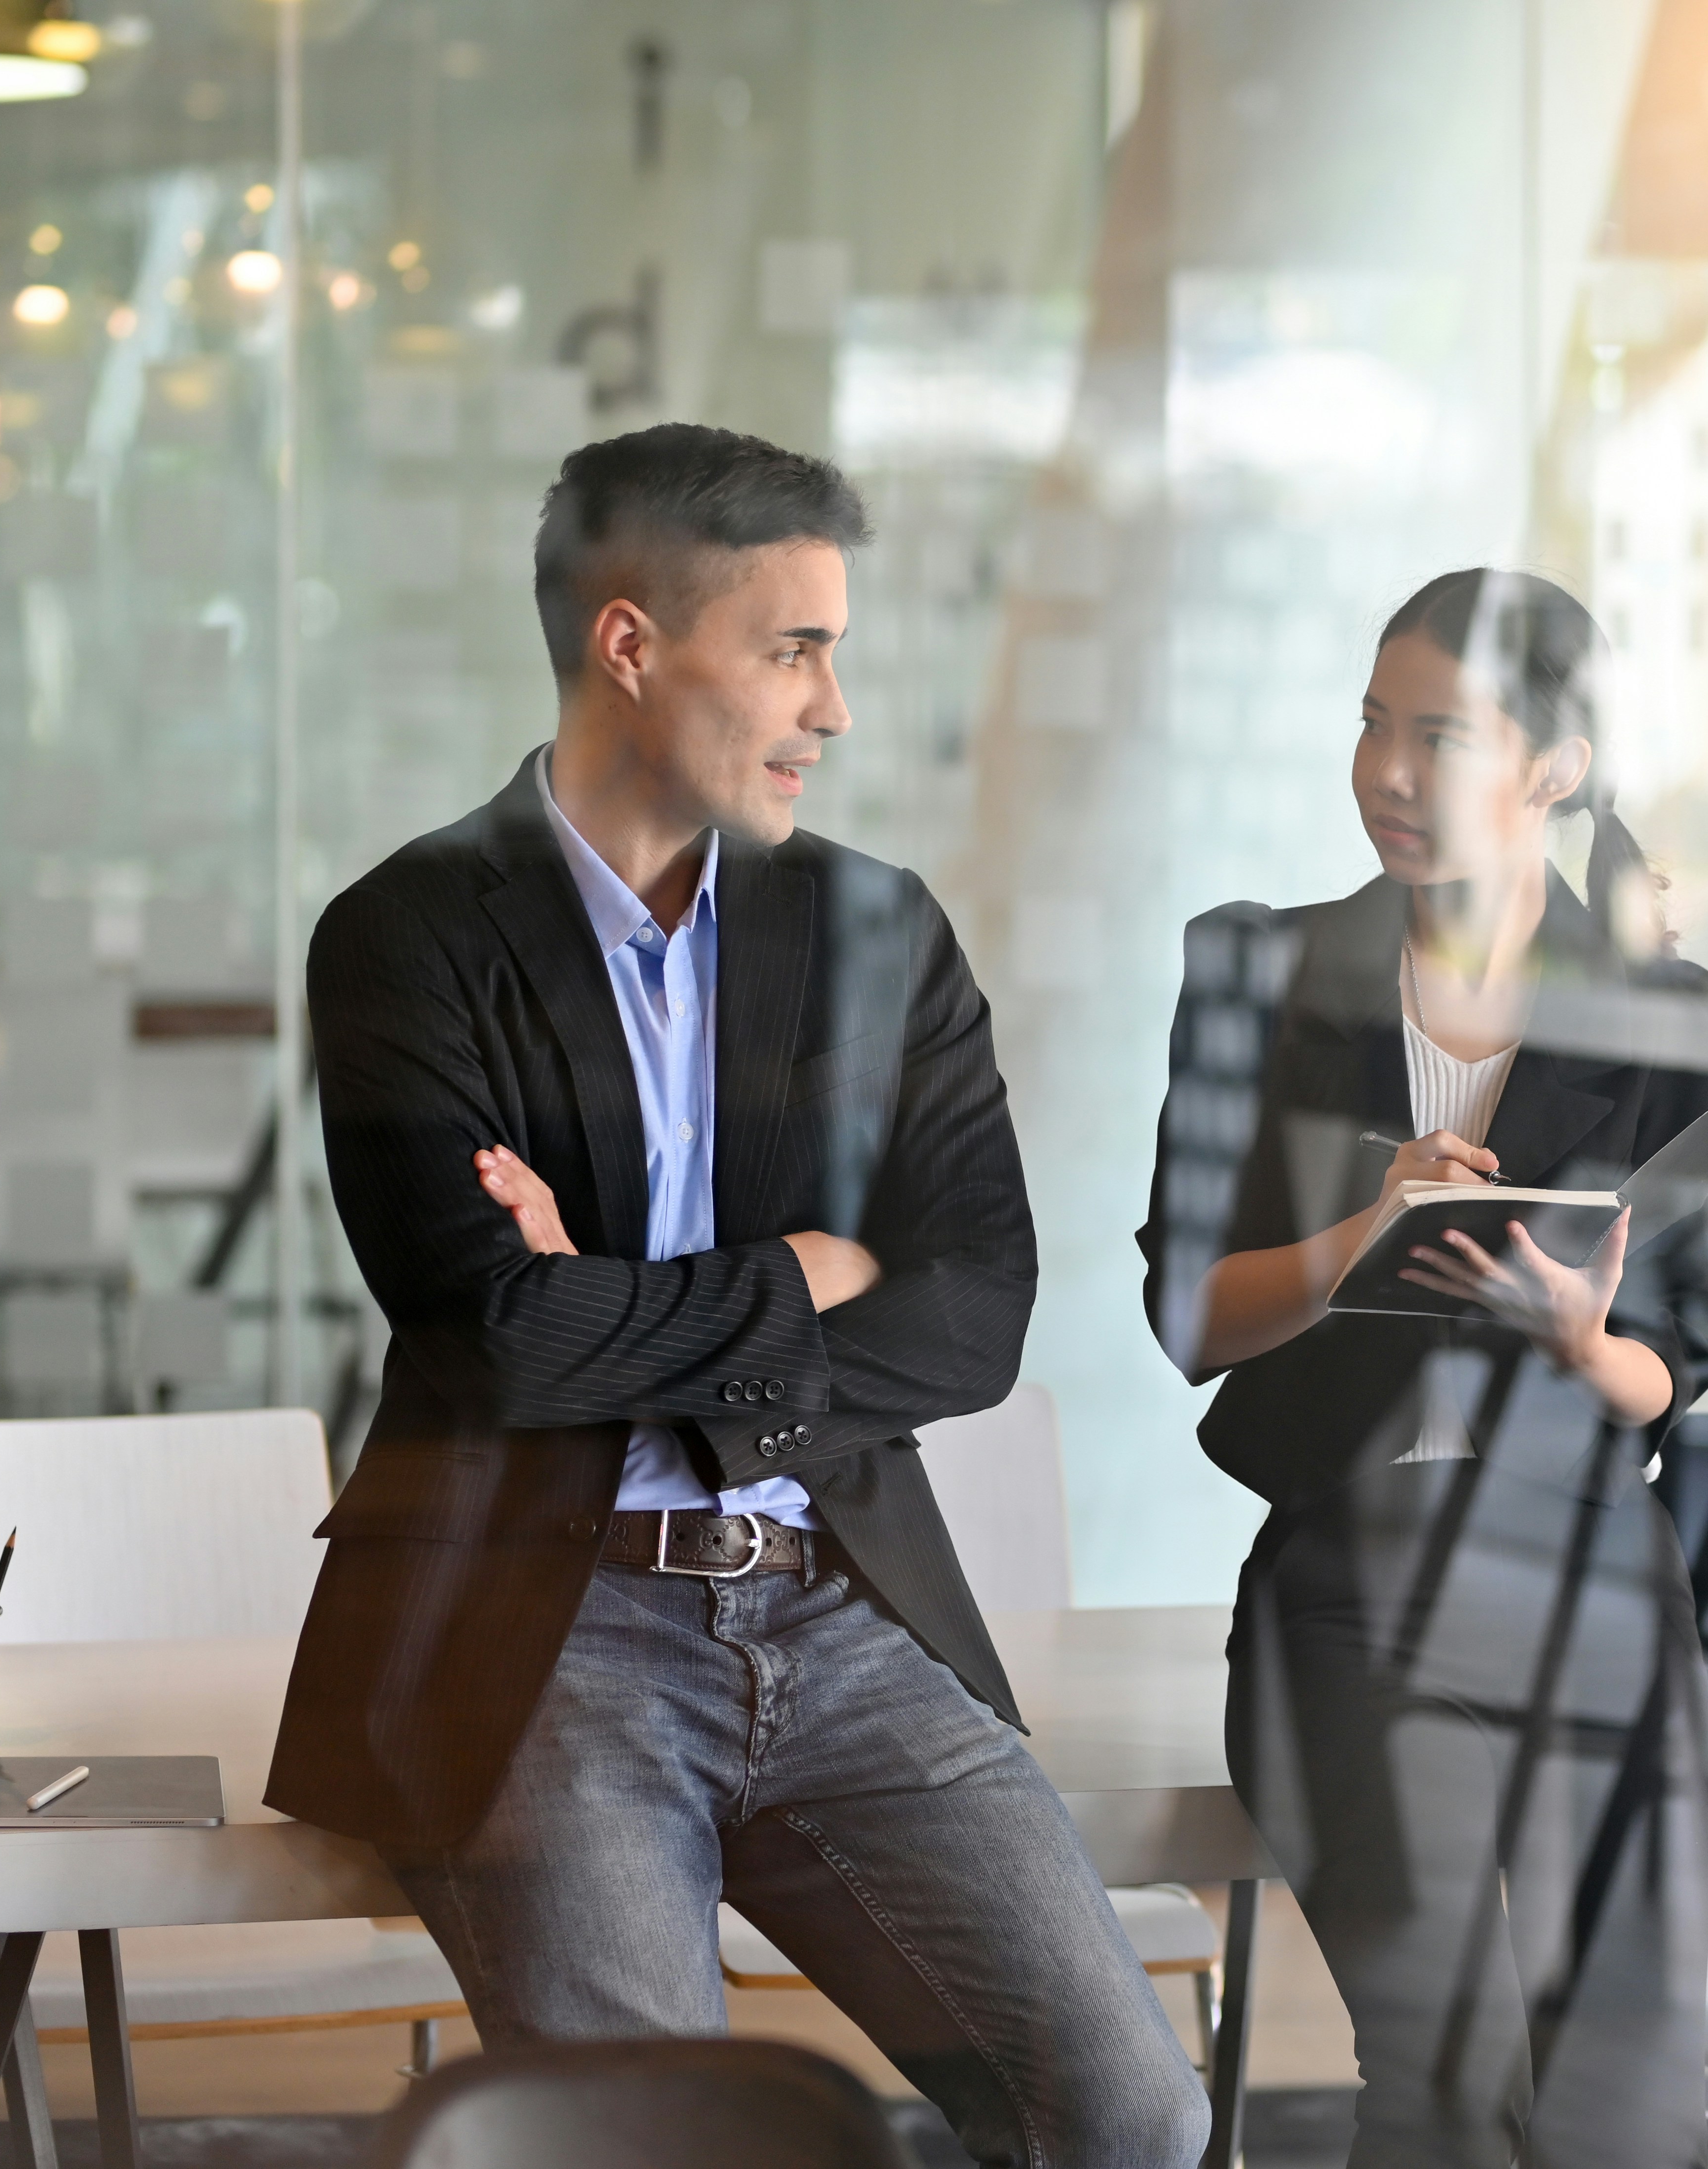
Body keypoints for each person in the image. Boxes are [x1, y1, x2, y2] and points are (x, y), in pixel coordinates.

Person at [273, 422, 1207, 2169]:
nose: (832, 707)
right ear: (632, 646)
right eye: (792, 649)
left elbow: (976, 1313)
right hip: (554, 1640)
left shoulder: (878, 934)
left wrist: (626, 1314)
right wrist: (800, 1272)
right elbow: (495, 1340)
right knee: (664, 2150)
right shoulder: (407, 937)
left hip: (845, 1610)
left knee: (1133, 2113)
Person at [1138, 569, 1708, 2167]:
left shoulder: (1673, 1012)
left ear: (1553, 767)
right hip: (1350, 1590)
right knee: (1449, 2083)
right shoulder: (1252, 971)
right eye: (1370, 725)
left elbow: (1666, 1378)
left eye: (1438, 736)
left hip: (1595, 1591)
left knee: (1626, 2114)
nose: (1387, 772)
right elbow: (1186, 1317)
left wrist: (1584, 1339)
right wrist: (1361, 1234)